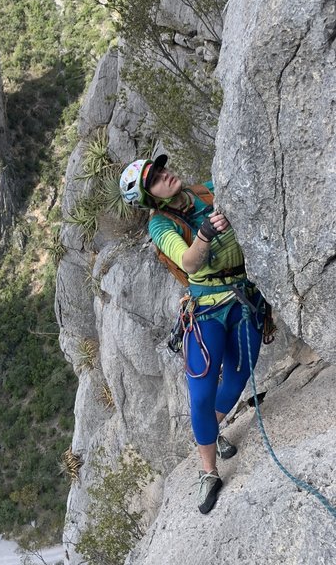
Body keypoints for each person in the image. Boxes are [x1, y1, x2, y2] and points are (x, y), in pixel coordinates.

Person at [119, 154, 268, 514]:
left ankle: (210, 432)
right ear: (150, 198)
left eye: (161, 169)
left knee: (238, 377)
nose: (165, 174)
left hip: (245, 295)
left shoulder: (206, 190)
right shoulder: (160, 225)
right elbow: (188, 261)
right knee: (201, 393)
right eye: (155, 178)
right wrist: (204, 235)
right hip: (206, 309)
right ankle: (208, 472)